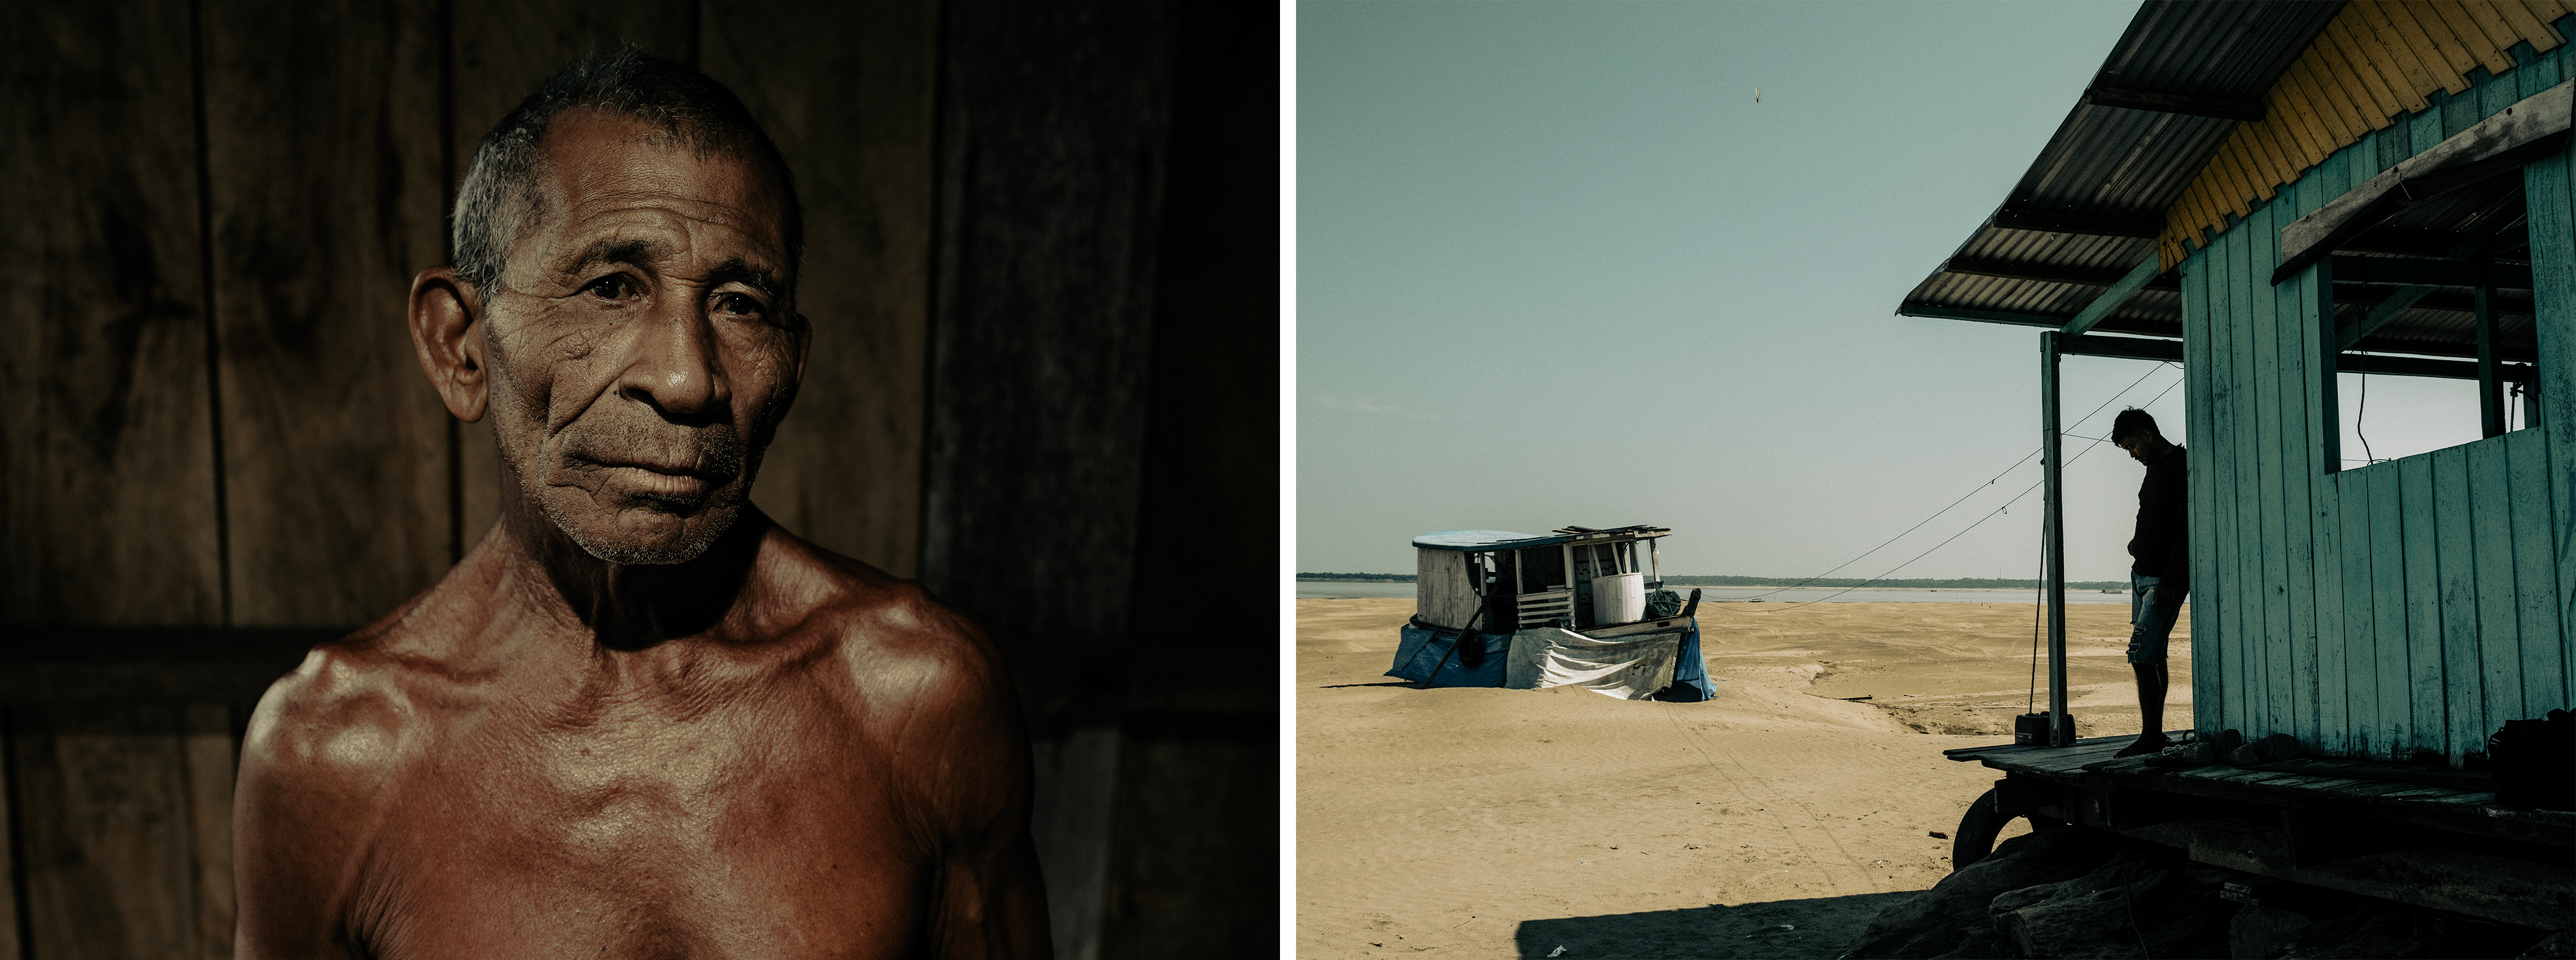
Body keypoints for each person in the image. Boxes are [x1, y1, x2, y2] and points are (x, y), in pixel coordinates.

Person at [230, 50, 1052, 957]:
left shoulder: (915, 700)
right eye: (610, 287)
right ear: (461, 346)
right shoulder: (336, 756)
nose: (686, 376)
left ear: (794, 365)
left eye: (741, 306)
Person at [2109, 408, 2188, 759]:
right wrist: (2137, 544)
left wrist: (2170, 583)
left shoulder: (2180, 466)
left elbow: (2187, 528)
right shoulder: (2154, 468)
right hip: (2141, 575)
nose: (2132, 455)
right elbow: (2154, 517)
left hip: (2162, 581)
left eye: (2132, 447)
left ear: (2146, 434)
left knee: (2141, 656)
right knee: (2154, 655)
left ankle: (2151, 736)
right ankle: (2154, 734)